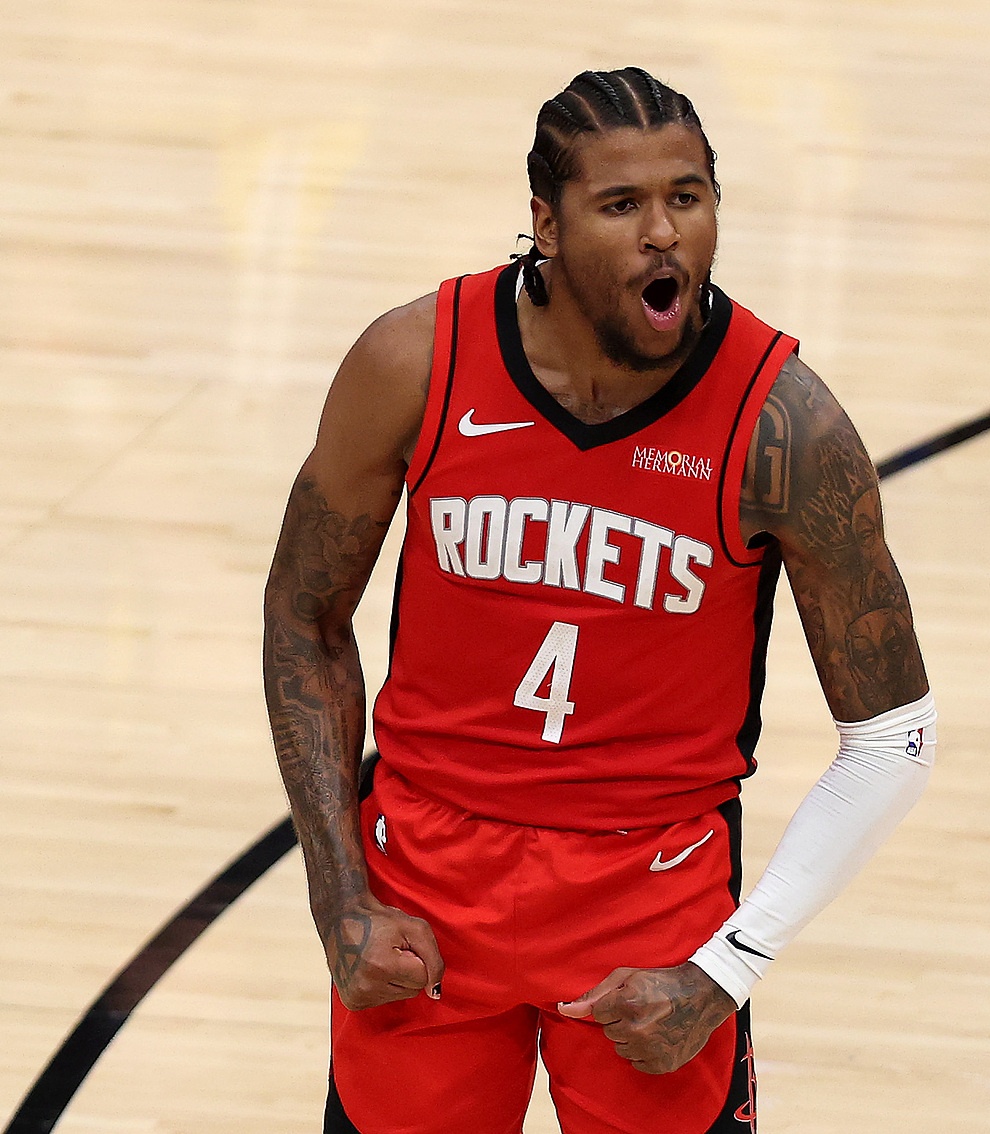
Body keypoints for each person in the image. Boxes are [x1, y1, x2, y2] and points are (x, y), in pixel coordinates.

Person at [261, 67, 936, 1134]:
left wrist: (725, 970)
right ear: (547, 224)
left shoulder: (783, 426)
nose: (664, 233)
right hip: (424, 883)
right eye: (622, 205)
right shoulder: (417, 362)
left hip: (652, 896)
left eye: (688, 197)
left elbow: (894, 738)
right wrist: (338, 895)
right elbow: (304, 616)